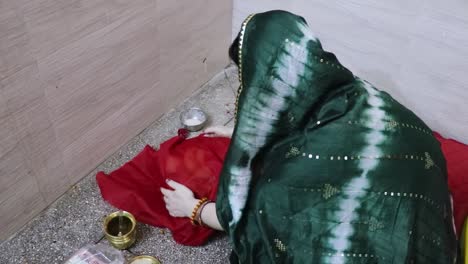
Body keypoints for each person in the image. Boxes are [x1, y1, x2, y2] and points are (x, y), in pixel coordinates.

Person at [161, 10, 460, 263]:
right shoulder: (360, 93)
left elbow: (257, 221)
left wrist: (194, 209)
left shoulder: (292, 178)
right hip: (433, 231)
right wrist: (238, 133)